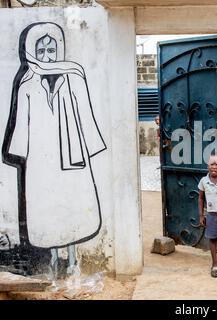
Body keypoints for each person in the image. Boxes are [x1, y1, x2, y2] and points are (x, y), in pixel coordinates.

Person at [2, 22, 106, 278]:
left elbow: (86, 116)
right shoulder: (26, 85)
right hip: (41, 160)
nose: (48, 57)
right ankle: (52, 259)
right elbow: (21, 126)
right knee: (46, 211)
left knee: (74, 206)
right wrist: (20, 154)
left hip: (73, 160)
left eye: (52, 50)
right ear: (32, 53)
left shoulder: (74, 79)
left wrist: (90, 146)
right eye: (42, 51)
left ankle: (72, 259)